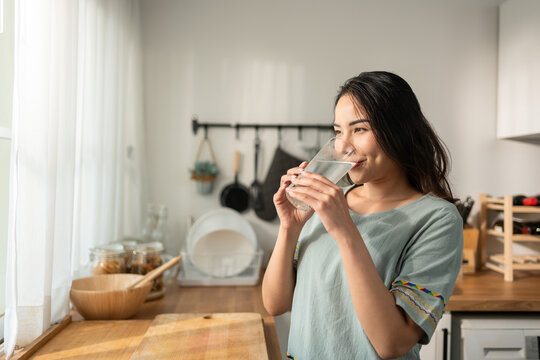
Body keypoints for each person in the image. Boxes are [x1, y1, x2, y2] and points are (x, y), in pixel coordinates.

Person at [262, 71, 463, 360]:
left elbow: (392, 343)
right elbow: (275, 304)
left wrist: (345, 231)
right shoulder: (327, 203)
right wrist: (289, 228)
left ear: (399, 131)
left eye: (359, 130)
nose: (343, 146)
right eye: (339, 131)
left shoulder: (437, 220)